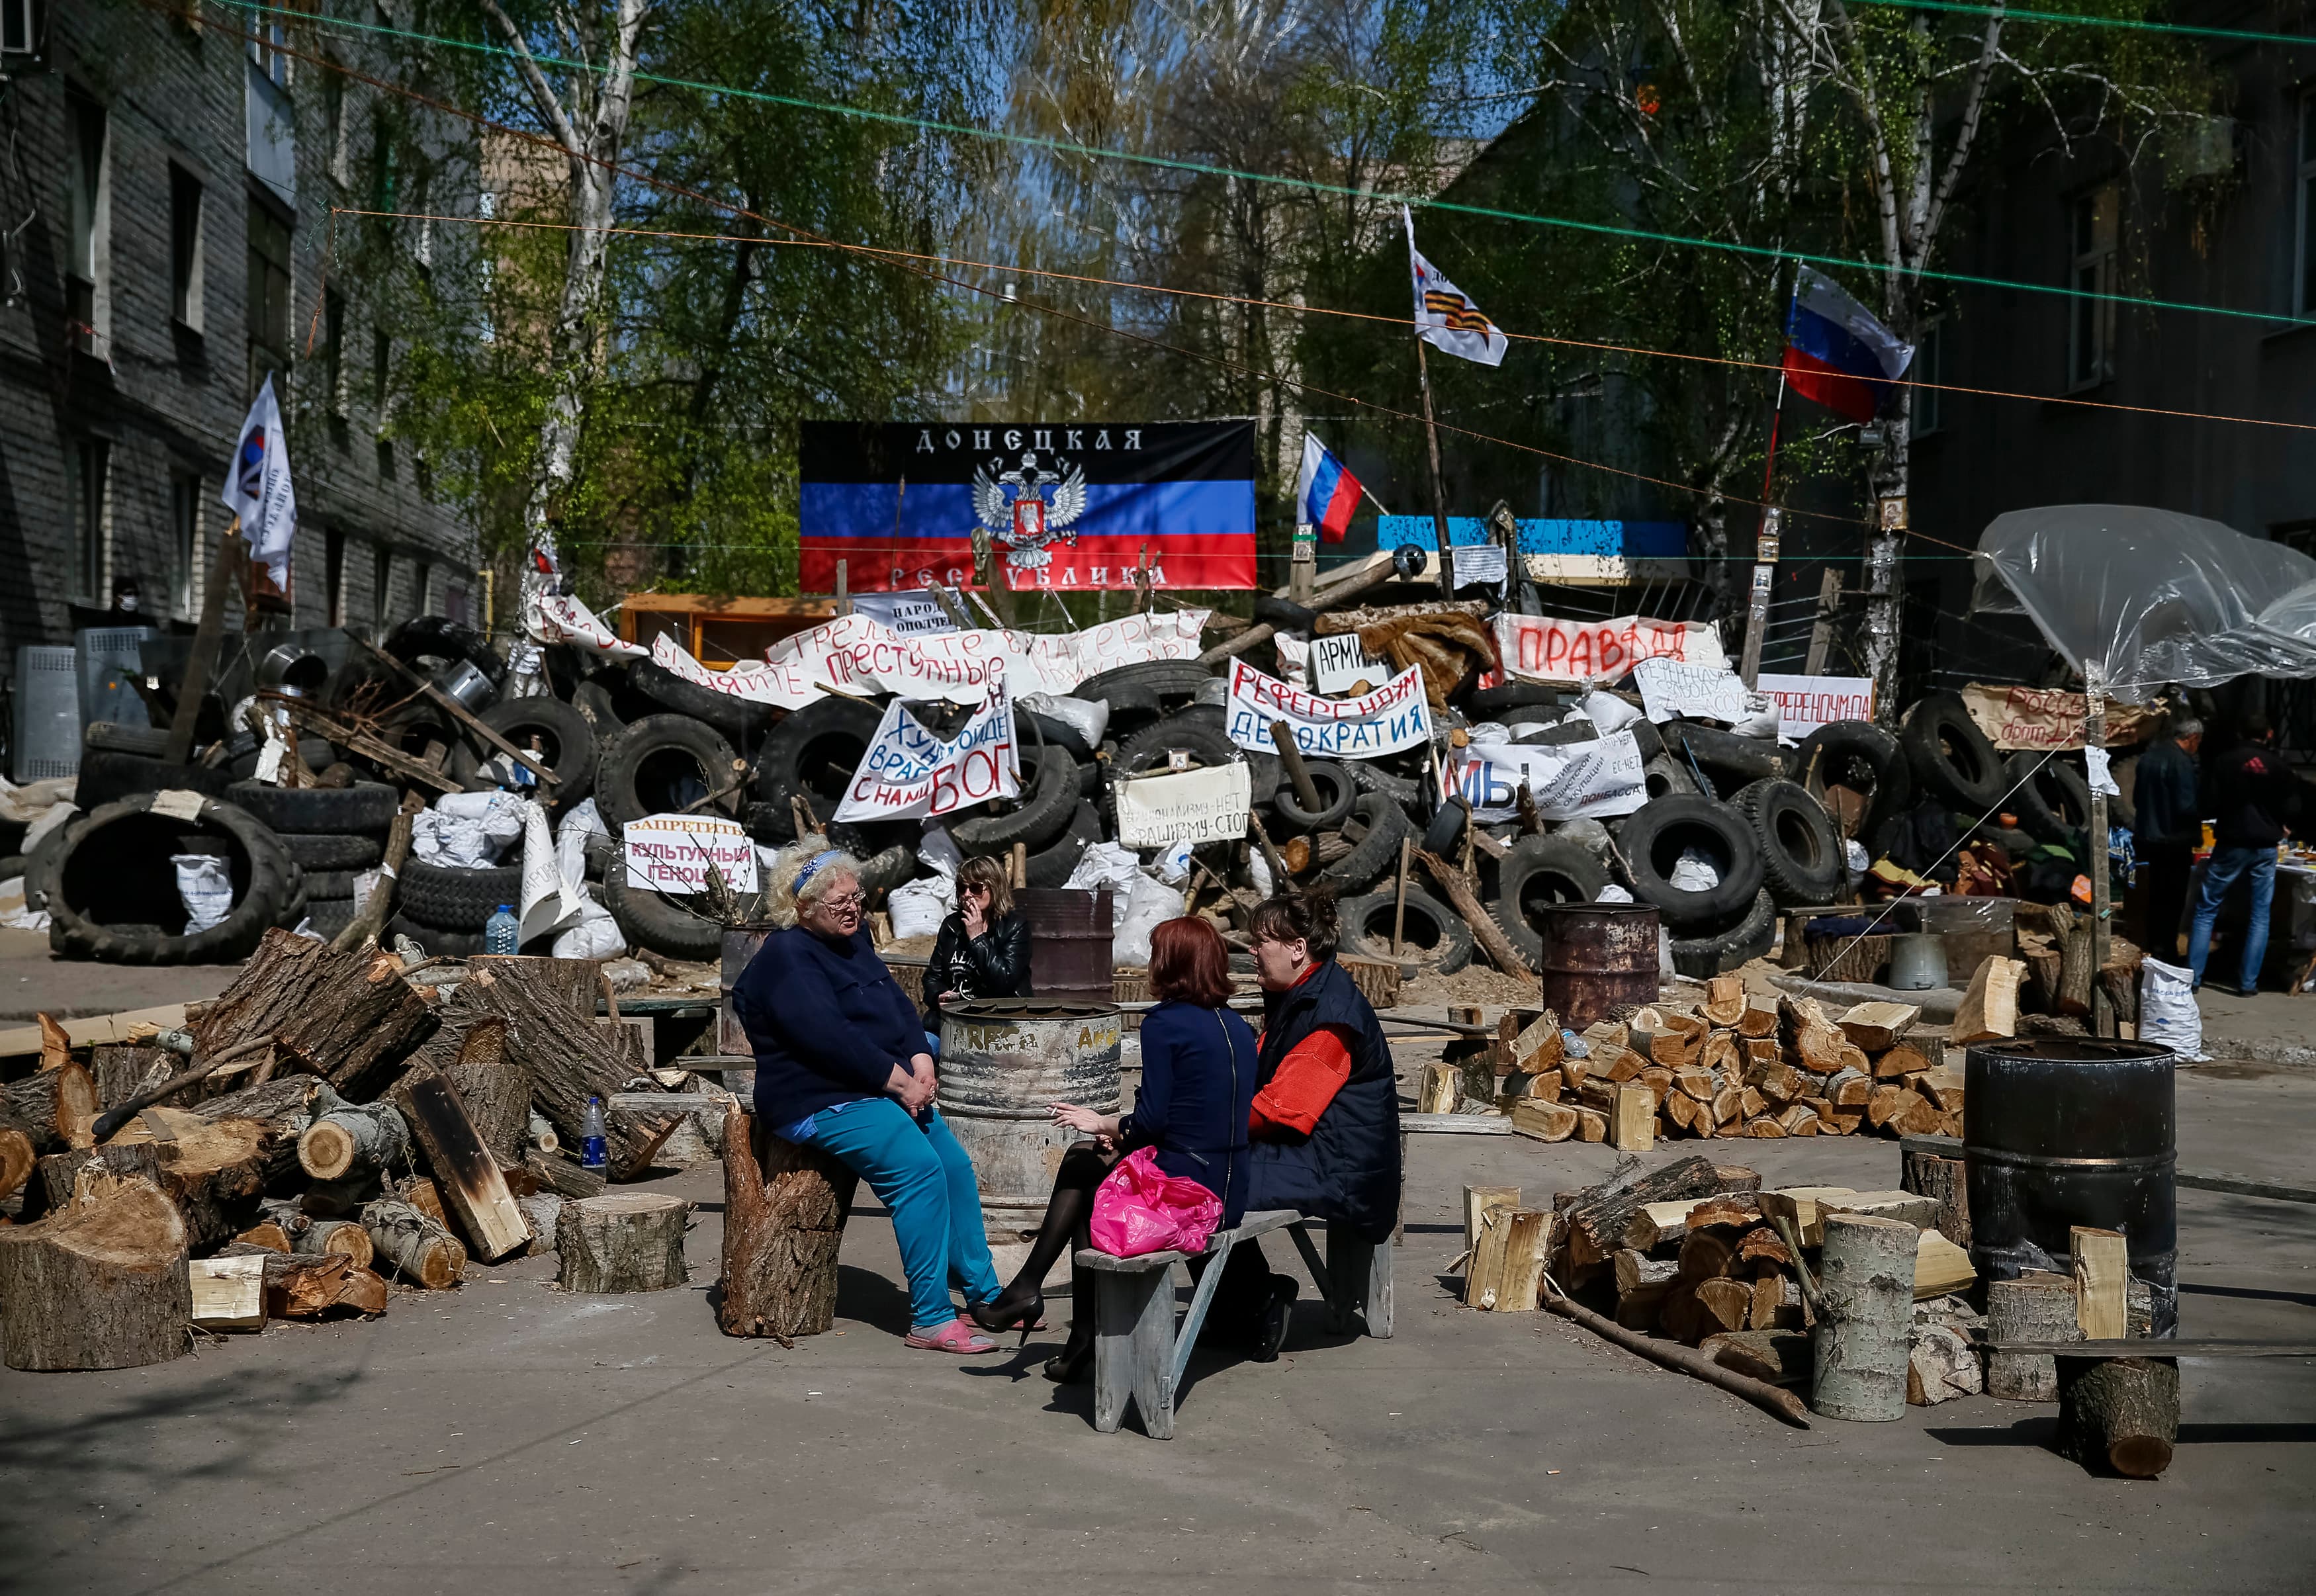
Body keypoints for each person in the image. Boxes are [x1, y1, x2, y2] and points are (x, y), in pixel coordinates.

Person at [731, 838, 1005, 1354]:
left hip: (872, 1083)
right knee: (918, 1172)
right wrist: (901, 1083)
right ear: (803, 908)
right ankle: (930, 1316)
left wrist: (920, 1058)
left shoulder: (852, 940)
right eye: (840, 902)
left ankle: (985, 1295)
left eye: (857, 896)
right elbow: (829, 1040)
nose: (854, 907)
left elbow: (896, 1005)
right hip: (818, 1096)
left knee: (952, 1166)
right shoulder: (789, 956)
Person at [969, 916, 1257, 1383]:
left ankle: (1035, 1295)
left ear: (1170, 963)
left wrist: (1105, 1123)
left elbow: (1152, 1121)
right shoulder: (1238, 1026)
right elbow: (1197, 1113)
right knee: (1089, 1182)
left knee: (1082, 1161)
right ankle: (1068, 1329)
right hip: (1231, 1189)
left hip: (1188, 1195)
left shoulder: (1164, 1023)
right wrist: (1121, 1134)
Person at [1208, 884, 1400, 1362]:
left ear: (1298, 949)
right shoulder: (1300, 992)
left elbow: (1280, 1109)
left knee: (1199, 1181)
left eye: (1261, 943)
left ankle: (1259, 1299)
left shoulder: (1330, 1017)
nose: (1251, 952)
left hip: (1341, 1164)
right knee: (1190, 1171)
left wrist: (1194, 1133)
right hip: (1314, 1145)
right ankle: (1242, 1303)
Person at [2187, 711, 2297, 997]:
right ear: (2270, 734)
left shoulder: (2224, 762)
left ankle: (2194, 978)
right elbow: (2292, 807)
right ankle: (2248, 984)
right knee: (2260, 914)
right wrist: (2280, 825)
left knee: (2207, 909)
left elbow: (2208, 803)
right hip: (2265, 846)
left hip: (2231, 843)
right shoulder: (2280, 766)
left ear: (2240, 733)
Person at [920, 854, 1032, 1050]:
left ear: (994, 888)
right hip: (952, 1021)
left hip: (997, 1025)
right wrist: (939, 995)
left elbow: (1005, 982)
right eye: (962, 888)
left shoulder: (1014, 927)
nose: (967, 895)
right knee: (918, 1049)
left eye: (976, 888)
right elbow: (932, 976)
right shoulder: (952, 926)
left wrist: (977, 938)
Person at [2134, 716, 2203, 959]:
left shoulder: (2149, 757)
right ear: (2192, 738)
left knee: (2156, 895)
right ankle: (2167, 950)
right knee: (2173, 899)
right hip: (2174, 840)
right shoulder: (2181, 763)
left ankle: (2154, 945)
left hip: (2150, 838)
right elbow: (2186, 806)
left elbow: (2136, 799)